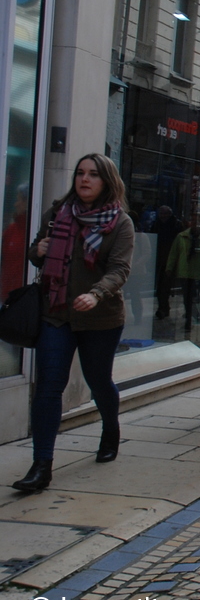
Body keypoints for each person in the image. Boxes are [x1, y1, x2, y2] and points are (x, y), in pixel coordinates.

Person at [13, 154, 134, 493]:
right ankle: (41, 466)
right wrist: (39, 250)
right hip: (56, 313)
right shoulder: (58, 213)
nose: (84, 179)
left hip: (100, 317)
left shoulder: (120, 222)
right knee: (49, 386)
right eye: (80, 173)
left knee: (99, 381)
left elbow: (120, 269)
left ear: (106, 180)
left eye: (93, 174)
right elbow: (35, 254)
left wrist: (96, 294)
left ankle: (110, 428)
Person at [167, 213, 200, 332]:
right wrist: (169, 268)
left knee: (195, 298)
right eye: (192, 220)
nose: (194, 223)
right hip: (185, 272)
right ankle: (190, 319)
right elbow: (173, 254)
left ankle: (195, 315)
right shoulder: (181, 237)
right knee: (187, 298)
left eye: (197, 221)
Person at [152, 205, 181, 319]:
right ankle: (163, 307)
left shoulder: (176, 225)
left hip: (171, 259)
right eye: (161, 214)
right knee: (160, 287)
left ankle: (163, 308)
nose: (163, 216)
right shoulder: (156, 225)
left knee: (165, 286)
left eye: (165, 214)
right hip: (159, 259)